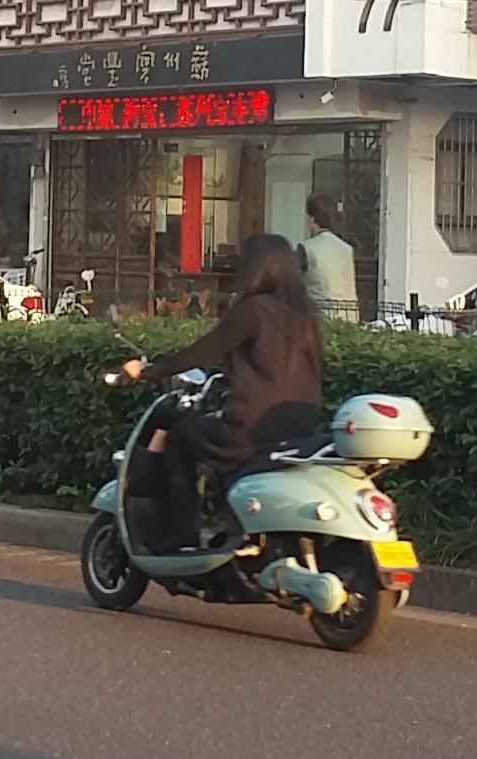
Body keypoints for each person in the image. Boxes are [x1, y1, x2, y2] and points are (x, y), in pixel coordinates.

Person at [121, 233, 326, 552]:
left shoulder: (253, 310)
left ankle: (183, 534)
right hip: (300, 427)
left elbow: (200, 352)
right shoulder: (306, 314)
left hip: (250, 428)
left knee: (179, 439)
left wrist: (146, 371)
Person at [298, 193, 358, 323]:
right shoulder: (346, 249)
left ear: (312, 219)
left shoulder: (306, 248)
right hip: (349, 318)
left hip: (320, 319)